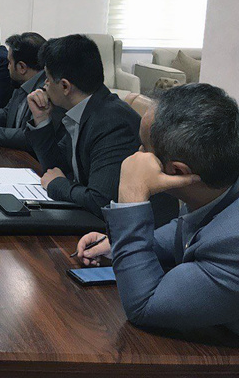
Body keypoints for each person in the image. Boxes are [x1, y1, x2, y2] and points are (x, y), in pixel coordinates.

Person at [76, 83, 239, 335]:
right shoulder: (214, 188)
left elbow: (145, 305)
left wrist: (131, 196)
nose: (136, 154)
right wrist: (120, 242)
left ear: (177, 171)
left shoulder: (233, 244)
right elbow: (184, 231)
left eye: (144, 147)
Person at [25, 34, 140, 217]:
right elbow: (57, 167)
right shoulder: (84, 109)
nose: (44, 85)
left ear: (65, 86)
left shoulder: (112, 123)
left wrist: (57, 185)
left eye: (47, 78)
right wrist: (42, 119)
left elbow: (100, 201)